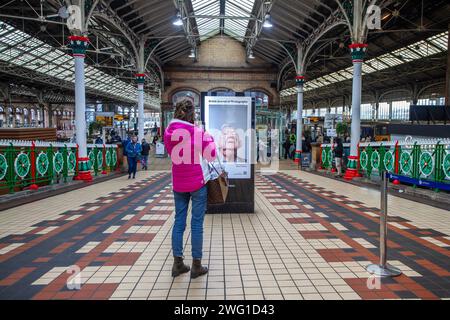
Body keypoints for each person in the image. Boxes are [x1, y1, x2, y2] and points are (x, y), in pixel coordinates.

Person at [164, 99, 216, 279]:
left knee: (179, 222)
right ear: (192, 113)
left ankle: (177, 264)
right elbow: (212, 155)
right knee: (196, 224)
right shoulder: (197, 132)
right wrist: (209, 138)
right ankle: (196, 266)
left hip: (178, 183)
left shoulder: (168, 132)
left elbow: (171, 154)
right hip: (197, 183)